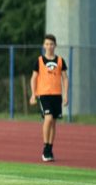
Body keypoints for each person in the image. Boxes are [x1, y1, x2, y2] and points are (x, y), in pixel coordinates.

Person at [29, 33, 68, 162]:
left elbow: (65, 78)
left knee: (54, 122)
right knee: (48, 118)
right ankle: (45, 147)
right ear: (43, 45)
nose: (49, 46)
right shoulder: (39, 61)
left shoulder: (60, 61)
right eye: (47, 44)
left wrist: (66, 95)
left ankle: (50, 148)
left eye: (51, 44)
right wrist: (34, 94)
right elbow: (34, 78)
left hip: (57, 95)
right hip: (44, 95)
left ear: (55, 45)